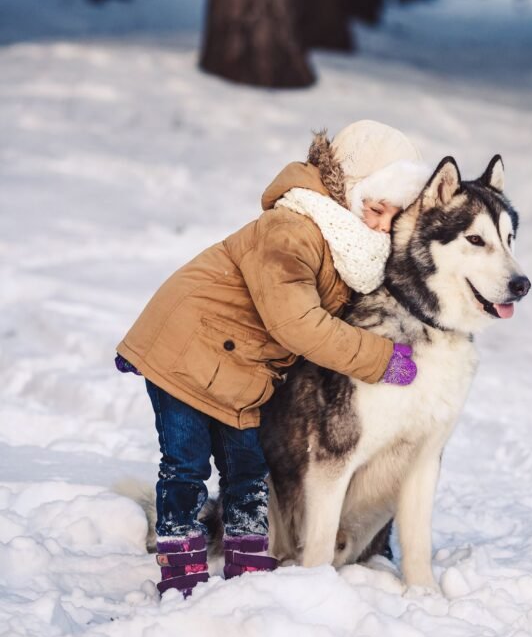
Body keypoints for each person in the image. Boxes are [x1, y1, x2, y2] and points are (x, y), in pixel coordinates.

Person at [115, 120, 430, 597]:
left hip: (239, 369)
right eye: (375, 208)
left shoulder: (348, 246)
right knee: (186, 464)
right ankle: (180, 564)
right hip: (183, 353)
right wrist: (378, 357)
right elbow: (298, 324)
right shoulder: (292, 230)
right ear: (349, 190)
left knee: (248, 467)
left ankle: (248, 562)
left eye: (394, 216)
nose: (382, 226)